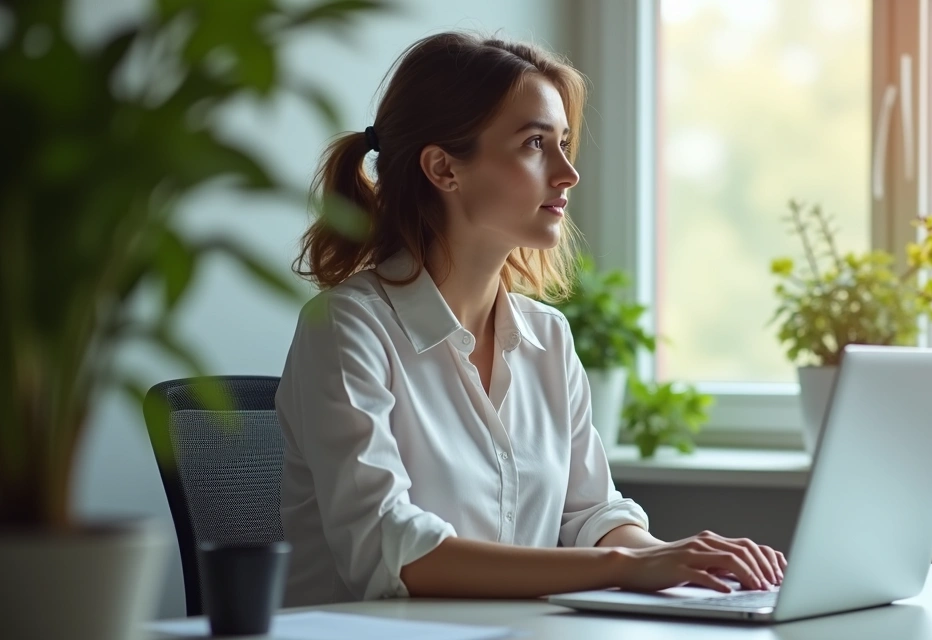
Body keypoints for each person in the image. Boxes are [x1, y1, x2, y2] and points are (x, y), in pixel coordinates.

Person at [276, 31, 785, 607]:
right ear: (444, 168)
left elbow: (591, 511)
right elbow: (395, 552)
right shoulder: (346, 329)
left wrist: (683, 565)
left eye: (564, 143)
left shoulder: (547, 336)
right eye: (535, 144)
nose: (567, 172)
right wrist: (624, 565)